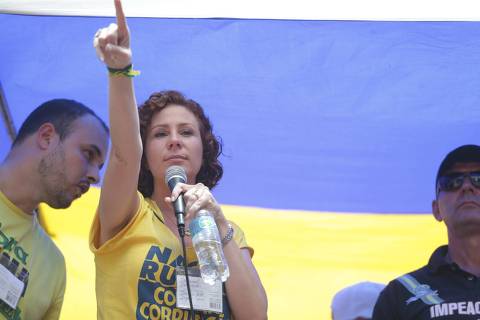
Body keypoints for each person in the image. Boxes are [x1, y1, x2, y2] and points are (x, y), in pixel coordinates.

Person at [89, 1, 268, 319]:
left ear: (204, 148)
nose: (174, 140)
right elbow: (123, 155)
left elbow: (256, 316)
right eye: (160, 134)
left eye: (186, 132)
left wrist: (220, 223)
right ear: (146, 154)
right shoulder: (128, 214)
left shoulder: (229, 233)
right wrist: (120, 72)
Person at [0, 99, 109, 319]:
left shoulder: (54, 266)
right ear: (46, 137)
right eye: (88, 154)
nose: (95, 177)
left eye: (100, 167)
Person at [373, 144, 480, 319]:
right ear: (436, 209)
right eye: (452, 182)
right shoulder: (400, 294)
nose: (467, 187)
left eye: (479, 179)